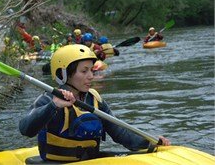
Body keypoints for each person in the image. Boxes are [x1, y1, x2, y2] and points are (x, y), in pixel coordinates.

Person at [19, 44, 170, 162]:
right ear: (63, 74)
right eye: (84, 71)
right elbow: (25, 129)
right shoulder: (49, 99)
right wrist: (53, 106)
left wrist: (149, 142)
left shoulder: (95, 99)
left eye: (91, 70)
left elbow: (119, 132)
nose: (91, 76)